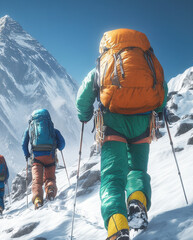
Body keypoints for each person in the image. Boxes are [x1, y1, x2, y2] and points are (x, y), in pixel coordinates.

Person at [76, 29, 168, 240]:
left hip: (113, 123)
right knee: (137, 169)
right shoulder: (147, 61)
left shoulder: (103, 65)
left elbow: (83, 97)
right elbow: (162, 89)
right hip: (143, 123)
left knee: (113, 178)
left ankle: (117, 227)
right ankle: (137, 201)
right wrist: (160, 109)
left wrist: (85, 115)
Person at [22, 109, 65, 209]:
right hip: (50, 157)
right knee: (50, 178)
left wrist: (27, 155)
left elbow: (24, 144)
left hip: (36, 158)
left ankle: (37, 199)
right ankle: (50, 190)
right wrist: (57, 147)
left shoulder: (29, 129)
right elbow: (62, 144)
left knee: (37, 181)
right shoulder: (52, 129)